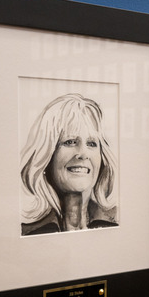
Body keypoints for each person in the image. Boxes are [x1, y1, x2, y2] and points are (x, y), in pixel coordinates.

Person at [20, 93, 118, 236]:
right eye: (70, 142)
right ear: (47, 155)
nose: (83, 153)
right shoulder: (27, 232)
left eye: (92, 144)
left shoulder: (118, 222)